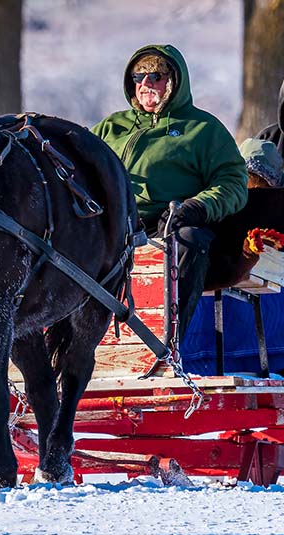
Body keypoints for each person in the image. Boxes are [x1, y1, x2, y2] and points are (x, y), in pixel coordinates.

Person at [93, 44, 248, 338]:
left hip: (165, 226)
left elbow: (233, 181)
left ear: (174, 81)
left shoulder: (202, 129)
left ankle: (167, 343)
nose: (146, 84)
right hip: (105, 225)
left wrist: (197, 206)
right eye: (139, 77)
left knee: (191, 240)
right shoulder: (110, 126)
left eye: (156, 76)